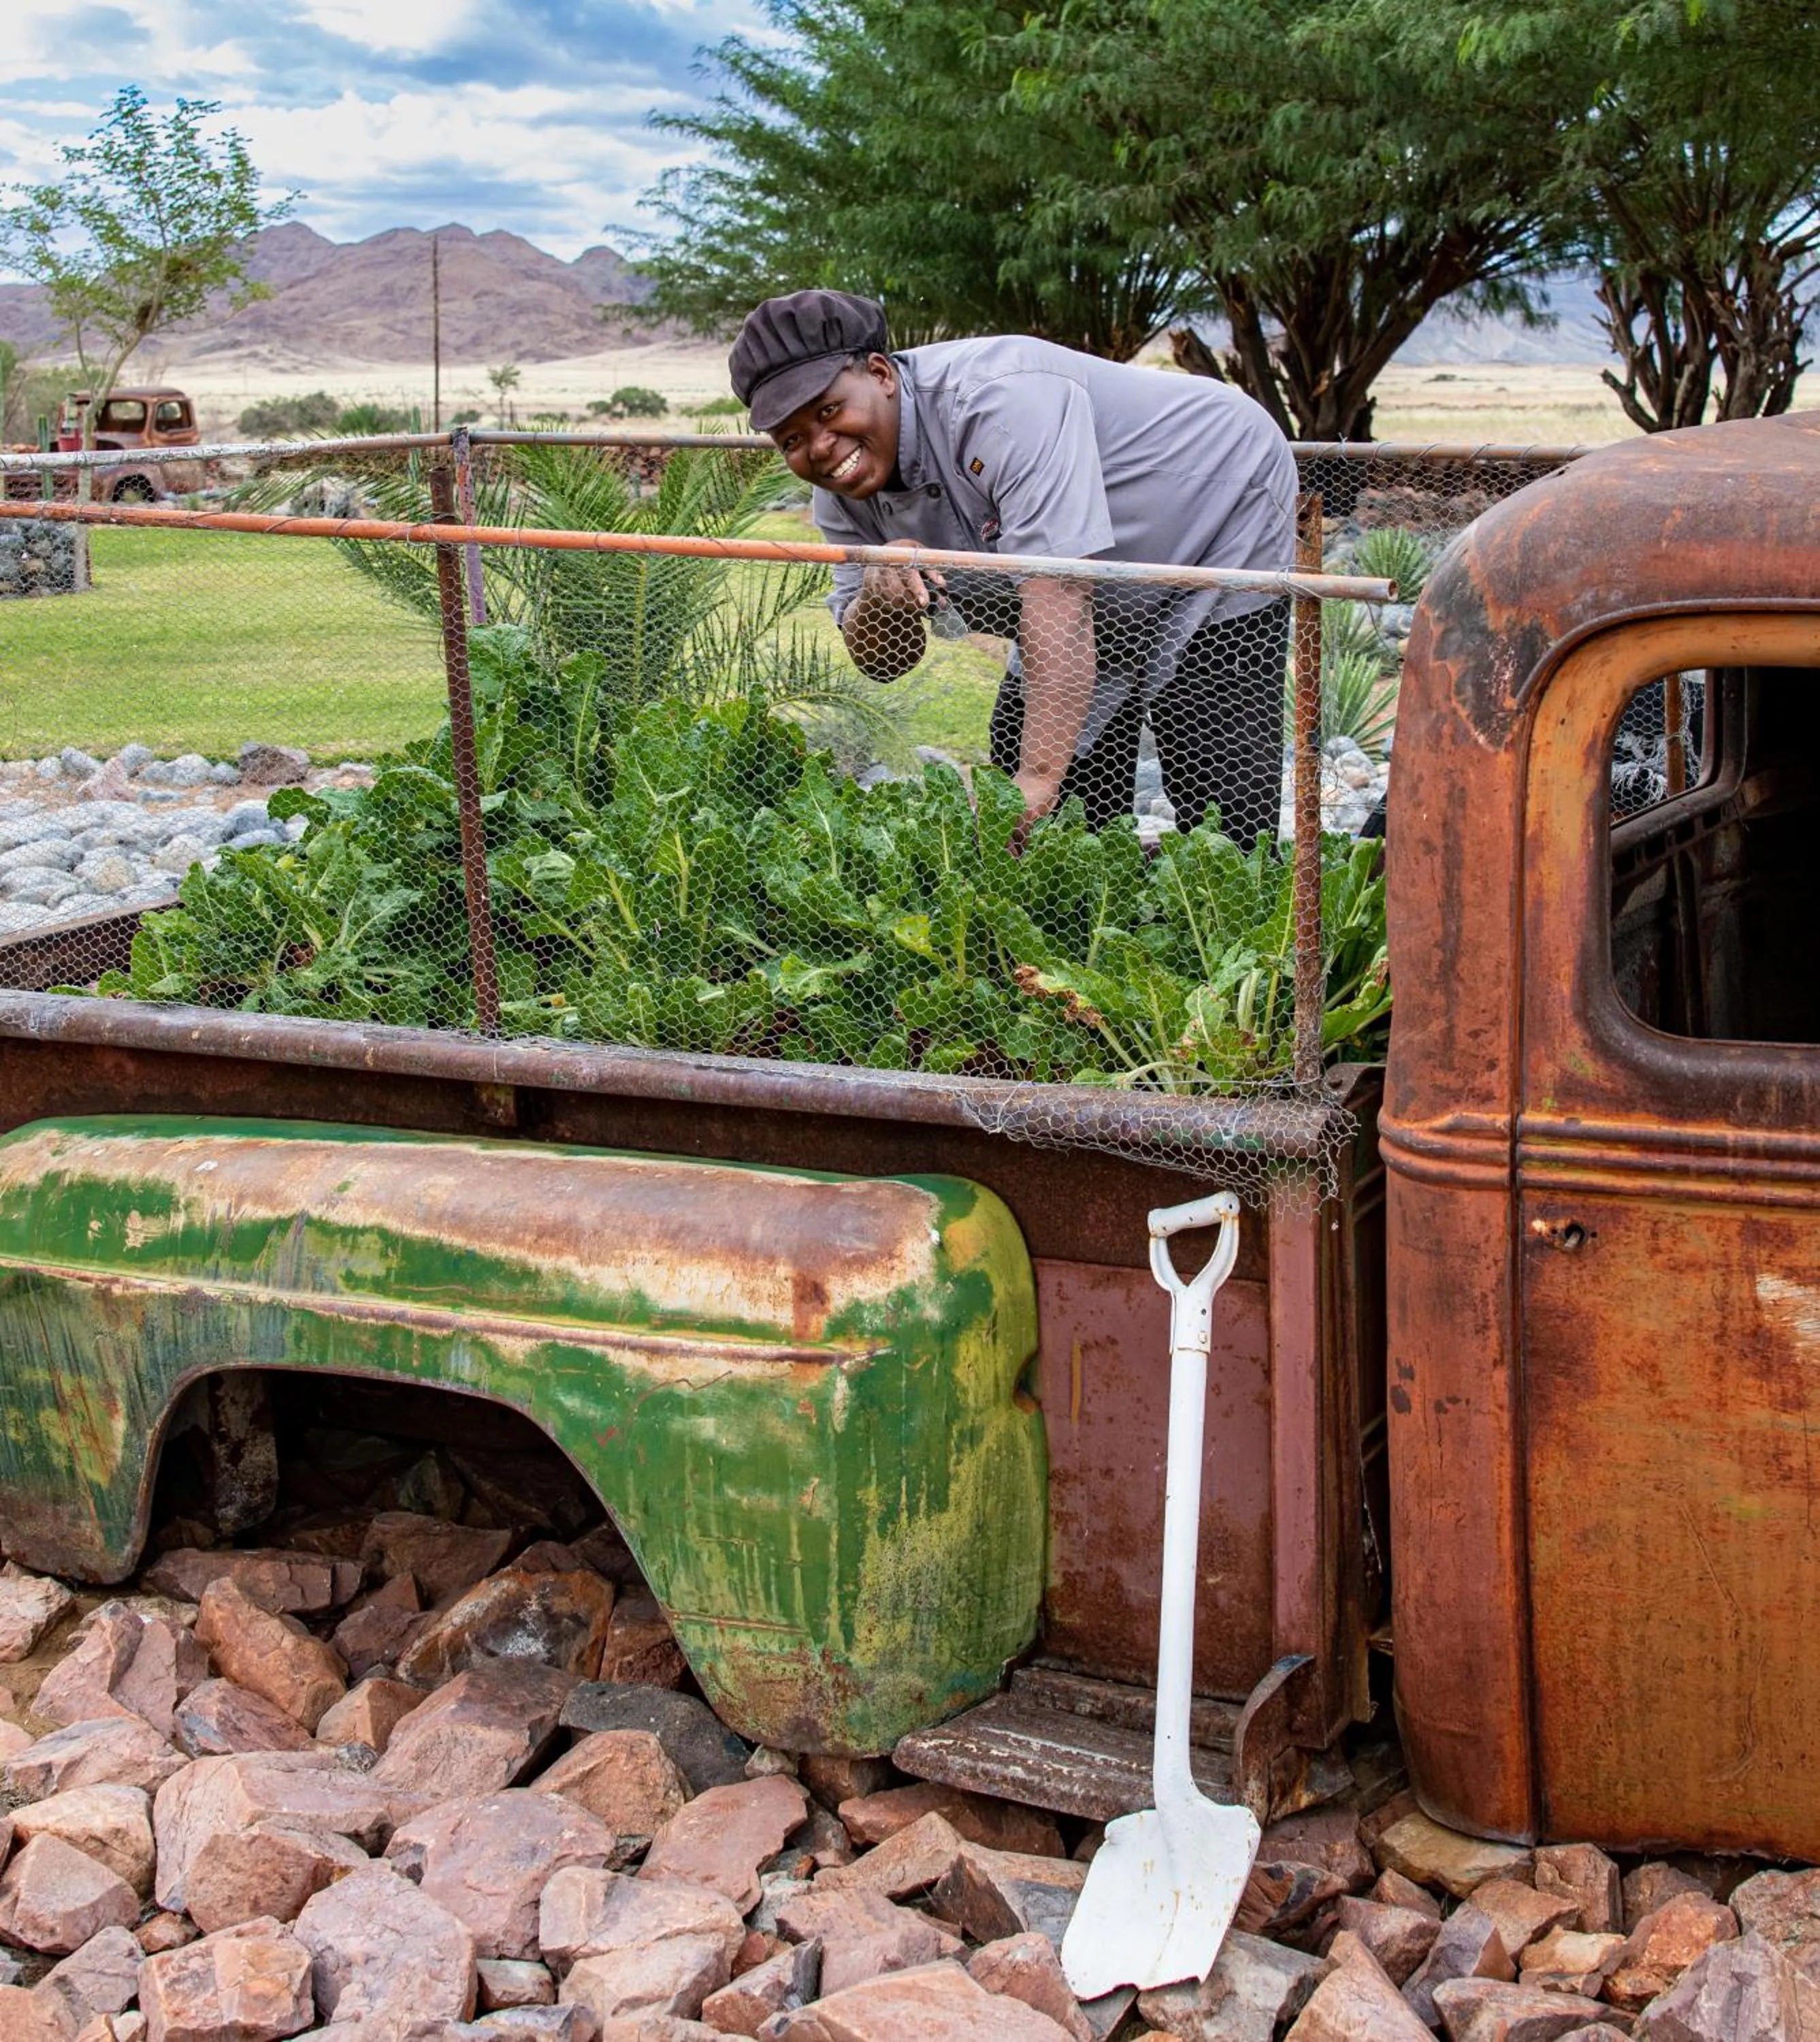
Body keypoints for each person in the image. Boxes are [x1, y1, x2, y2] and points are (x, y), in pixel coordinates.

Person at [729, 289, 1298, 847]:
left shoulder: (999, 402)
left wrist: (1038, 781)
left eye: (829, 411)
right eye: (793, 439)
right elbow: (884, 663)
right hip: (1088, 586)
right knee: (1035, 760)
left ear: (880, 373)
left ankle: (1245, 919)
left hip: (1214, 508)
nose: (821, 447)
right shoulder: (841, 492)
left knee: (1209, 753)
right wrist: (881, 599)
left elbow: (1060, 594)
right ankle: (1097, 921)